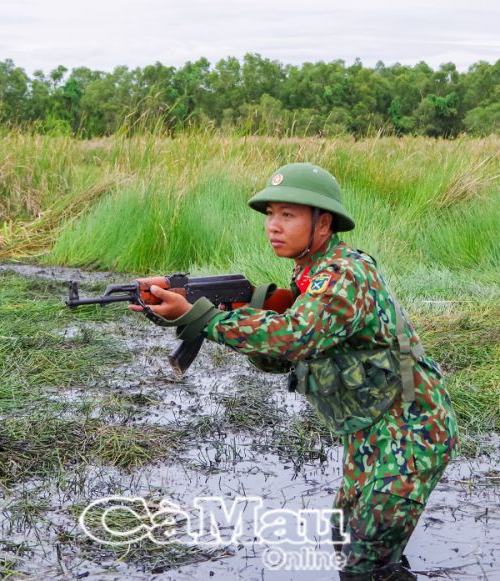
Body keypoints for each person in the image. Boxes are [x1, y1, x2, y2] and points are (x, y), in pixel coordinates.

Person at [133, 163, 457, 580]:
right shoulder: (311, 274)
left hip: (410, 430)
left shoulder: (344, 274)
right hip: (370, 429)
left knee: (364, 562)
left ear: (323, 223)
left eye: (288, 215)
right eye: (270, 214)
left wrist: (206, 318)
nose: (273, 225)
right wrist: (186, 308)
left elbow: (293, 338)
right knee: (350, 543)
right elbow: (281, 357)